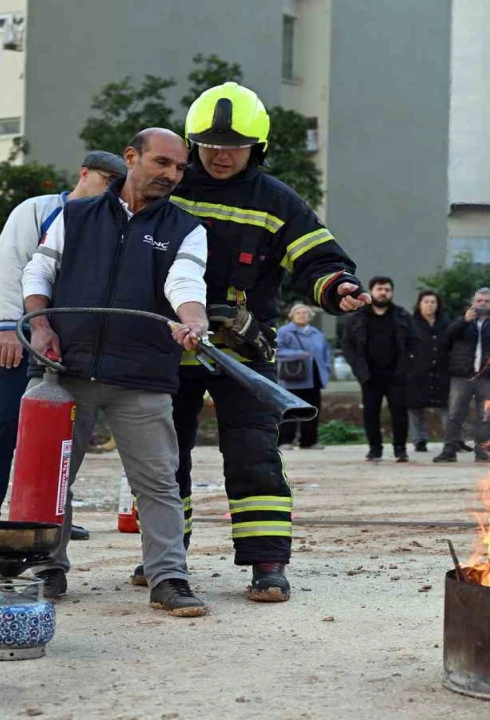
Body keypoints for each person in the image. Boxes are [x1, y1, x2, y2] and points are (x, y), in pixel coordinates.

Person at [168, 83, 367, 603]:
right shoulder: (168, 187)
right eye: (209, 144)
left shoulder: (277, 201)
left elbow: (319, 260)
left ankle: (267, 564)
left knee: (255, 455)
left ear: (257, 149)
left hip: (244, 355)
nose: (220, 154)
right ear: (193, 144)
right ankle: (164, 561)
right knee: (164, 459)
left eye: (233, 146)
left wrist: (337, 288)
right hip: (169, 346)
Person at [20, 128, 210, 616]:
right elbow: (39, 272)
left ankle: (168, 578)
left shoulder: (186, 228)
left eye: (179, 168)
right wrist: (39, 326)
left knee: (159, 482)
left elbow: (184, 280)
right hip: (65, 371)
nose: (171, 175)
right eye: (162, 163)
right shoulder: (76, 215)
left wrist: (193, 319)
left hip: (142, 376)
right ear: (131, 158)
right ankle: (46, 566)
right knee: (53, 478)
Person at [0, 150, 125, 532]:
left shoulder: (108, 223)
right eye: (107, 184)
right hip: (22, 335)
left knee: (63, 436)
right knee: (5, 424)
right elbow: (7, 263)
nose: (112, 194)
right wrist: (7, 325)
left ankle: (51, 518)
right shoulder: (37, 210)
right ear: (84, 174)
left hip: (74, 344)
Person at [434, 288, 490, 463]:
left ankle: (481, 450)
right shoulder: (463, 322)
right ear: (473, 302)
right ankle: (449, 449)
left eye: (487, 301)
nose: (483, 304)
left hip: (488, 375)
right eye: (479, 301)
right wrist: (464, 321)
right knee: (455, 413)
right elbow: (446, 338)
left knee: (485, 415)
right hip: (462, 375)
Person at [342, 277, 414, 462]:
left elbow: (415, 343)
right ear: (372, 291)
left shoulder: (402, 315)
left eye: (387, 289)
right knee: (370, 413)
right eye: (379, 289)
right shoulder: (356, 317)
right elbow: (347, 346)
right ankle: (375, 449)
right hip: (369, 375)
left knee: (399, 412)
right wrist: (358, 369)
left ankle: (400, 449)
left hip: (396, 375)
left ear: (392, 292)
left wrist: (406, 367)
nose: (383, 293)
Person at [276, 303, 331, 450]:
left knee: (312, 409)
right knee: (290, 410)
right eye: (298, 312)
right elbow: (276, 351)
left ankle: (309, 441)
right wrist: (298, 354)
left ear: (310, 316)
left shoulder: (317, 333)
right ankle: (285, 441)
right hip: (292, 378)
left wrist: (326, 368)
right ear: (292, 316)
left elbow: (326, 353)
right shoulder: (284, 332)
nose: (302, 315)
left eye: (305, 313)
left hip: (314, 377)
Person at [407, 290, 451, 452]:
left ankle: (452, 439)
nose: (430, 305)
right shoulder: (411, 324)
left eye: (433, 302)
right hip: (418, 371)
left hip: (442, 370)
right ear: (419, 305)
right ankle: (419, 440)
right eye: (426, 302)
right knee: (415, 407)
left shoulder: (446, 323)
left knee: (447, 407)